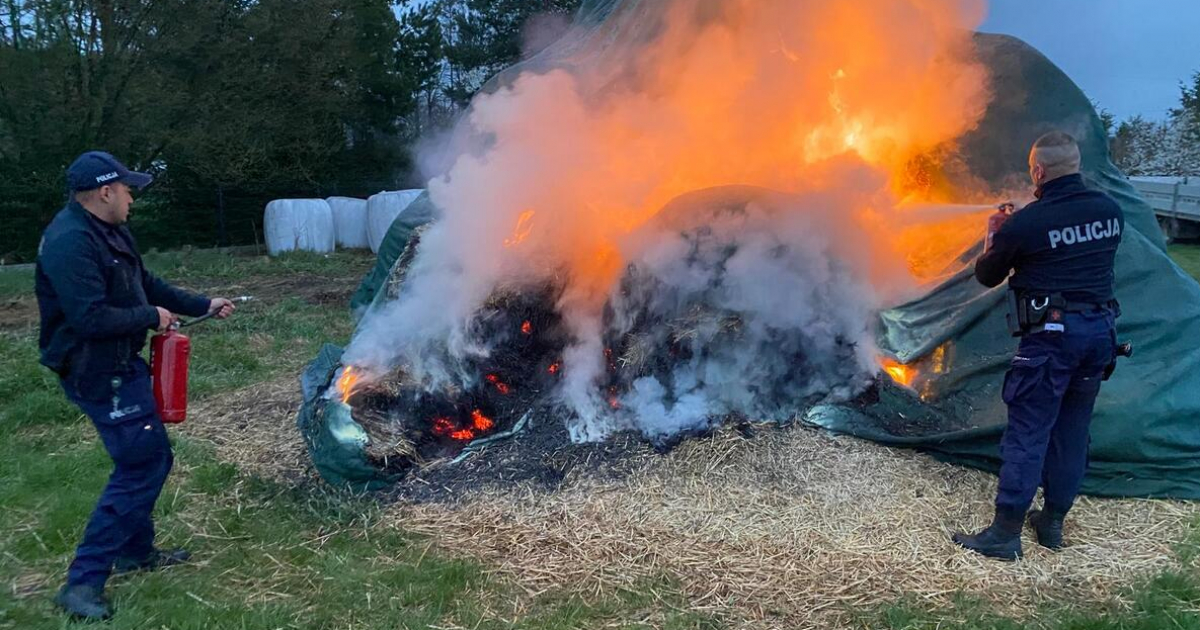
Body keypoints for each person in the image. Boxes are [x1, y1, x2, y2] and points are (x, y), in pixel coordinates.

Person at [36, 151, 237, 619]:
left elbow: (143, 282)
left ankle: (136, 552)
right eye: (127, 188)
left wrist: (199, 302)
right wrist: (150, 317)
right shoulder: (70, 242)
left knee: (148, 457)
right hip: (95, 369)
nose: (132, 196)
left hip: (120, 362)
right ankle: (81, 584)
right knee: (141, 464)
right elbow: (88, 317)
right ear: (105, 191)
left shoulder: (110, 231)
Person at [951, 131, 1124, 560]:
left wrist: (996, 235)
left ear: (1039, 171)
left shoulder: (1029, 222)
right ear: (1077, 165)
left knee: (1028, 434)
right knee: (1072, 431)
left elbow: (988, 275)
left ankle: (1005, 534)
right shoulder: (1110, 210)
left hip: (1052, 340)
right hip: (1100, 335)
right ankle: (1052, 524)